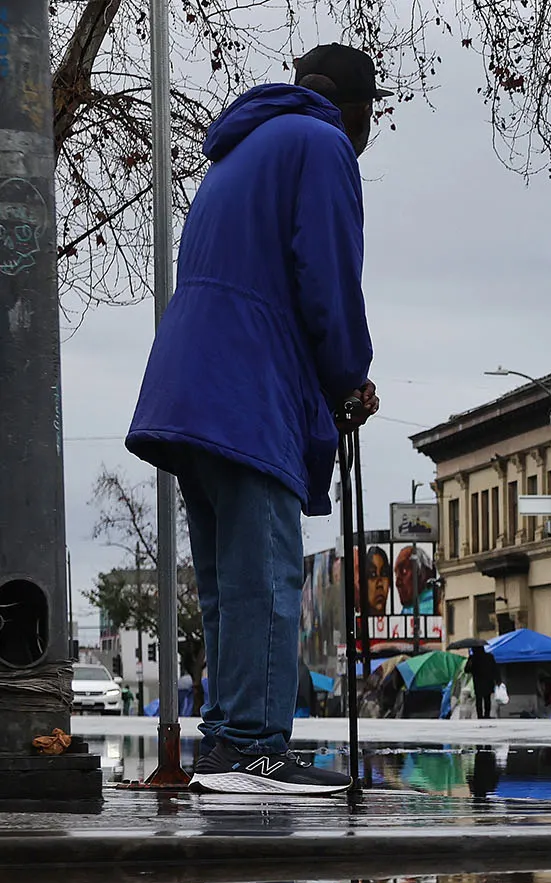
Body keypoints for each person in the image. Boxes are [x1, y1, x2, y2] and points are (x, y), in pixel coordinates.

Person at [126, 44, 385, 795]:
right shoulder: (324, 143)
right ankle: (253, 747)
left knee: (226, 584)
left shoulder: (236, 153)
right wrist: (349, 378)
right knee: (268, 577)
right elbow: (327, 279)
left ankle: (227, 741)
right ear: (358, 108)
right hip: (247, 392)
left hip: (187, 387)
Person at [467, 644, 497, 719]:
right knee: (487, 698)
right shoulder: (489, 657)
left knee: (479, 699)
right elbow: (495, 669)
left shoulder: (473, 658)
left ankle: (480, 715)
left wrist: (470, 662)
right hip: (487, 680)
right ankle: (486, 714)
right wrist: (497, 679)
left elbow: (467, 670)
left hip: (478, 681)